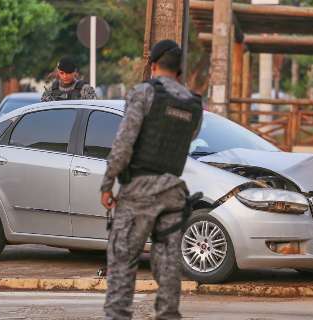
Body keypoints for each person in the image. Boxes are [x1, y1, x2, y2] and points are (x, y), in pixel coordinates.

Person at [100, 40, 203, 320]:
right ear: (180, 71)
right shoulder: (193, 104)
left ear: (153, 65)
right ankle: (168, 315)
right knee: (168, 264)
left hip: (138, 192)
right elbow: (188, 138)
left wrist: (108, 184)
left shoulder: (144, 93)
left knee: (122, 261)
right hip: (173, 194)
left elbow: (124, 143)